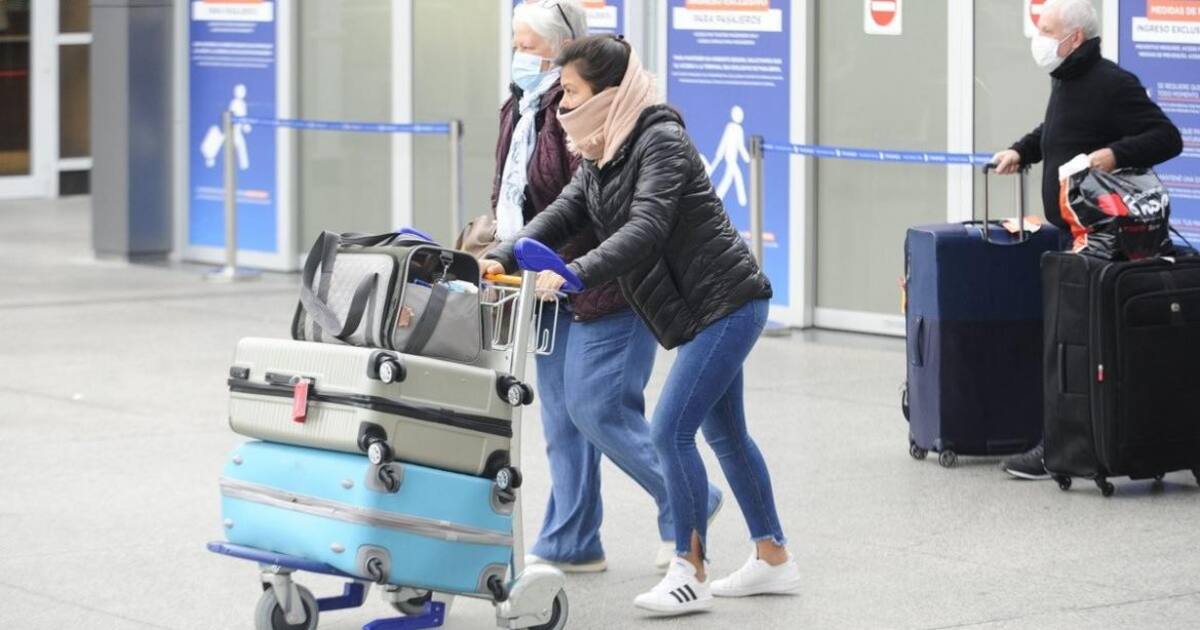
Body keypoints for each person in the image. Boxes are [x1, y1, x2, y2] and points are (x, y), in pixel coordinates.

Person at [482, 34, 800, 616]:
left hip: (728, 304)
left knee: (669, 430)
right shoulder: (604, 151)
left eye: (572, 93)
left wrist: (573, 274)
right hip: (697, 310)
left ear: (608, 93)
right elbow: (561, 214)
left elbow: (645, 228)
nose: (563, 106)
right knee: (726, 434)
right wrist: (502, 255)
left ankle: (689, 569)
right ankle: (773, 556)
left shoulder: (661, 140)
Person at [492, 0, 721, 574]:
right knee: (563, 419)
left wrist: (569, 269)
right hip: (546, 285)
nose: (520, 57)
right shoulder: (520, 109)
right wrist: (503, 251)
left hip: (607, 285)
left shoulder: (598, 123)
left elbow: (610, 218)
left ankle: (688, 502)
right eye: (515, 43)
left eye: (530, 47)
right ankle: (572, 540)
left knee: (599, 408)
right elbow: (523, 198)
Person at [991, 0, 1182, 480]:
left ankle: (1058, 447)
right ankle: (1070, 440)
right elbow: (1059, 133)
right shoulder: (1066, 79)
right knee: (1067, 344)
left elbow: (1167, 137)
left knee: (1072, 345)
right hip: (1068, 234)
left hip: (1101, 241)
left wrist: (1112, 155)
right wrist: (1022, 149)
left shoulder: (1113, 83)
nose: (1038, 37)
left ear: (1074, 37)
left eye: (1047, 28)